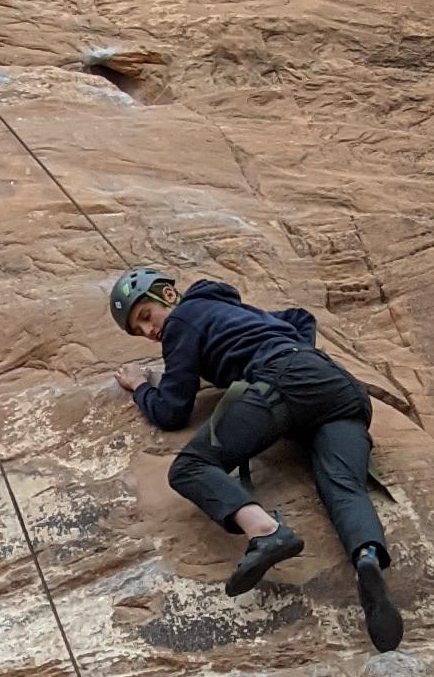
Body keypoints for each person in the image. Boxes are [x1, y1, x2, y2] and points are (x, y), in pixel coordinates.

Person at [110, 268, 403, 652]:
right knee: (342, 485)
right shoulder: (233, 309)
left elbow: (171, 411)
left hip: (284, 380)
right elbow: (300, 317)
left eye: (146, 316)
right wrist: (293, 353)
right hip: (341, 390)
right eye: (139, 329)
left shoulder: (182, 319)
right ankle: (366, 557)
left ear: (167, 295)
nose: (149, 331)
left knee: (189, 468)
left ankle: (266, 532)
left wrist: (141, 386)